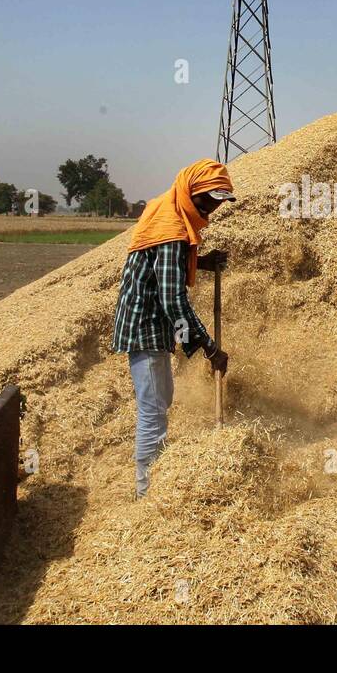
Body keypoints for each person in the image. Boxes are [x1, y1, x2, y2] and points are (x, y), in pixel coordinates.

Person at [111, 159, 234, 499]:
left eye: (217, 202)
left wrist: (202, 262)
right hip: (146, 326)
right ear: (190, 192)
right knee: (152, 412)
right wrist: (209, 348)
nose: (211, 208)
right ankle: (145, 494)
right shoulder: (172, 229)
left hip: (152, 326)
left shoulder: (171, 213)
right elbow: (172, 301)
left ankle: (154, 475)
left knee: (162, 401)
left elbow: (164, 266)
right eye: (207, 200)